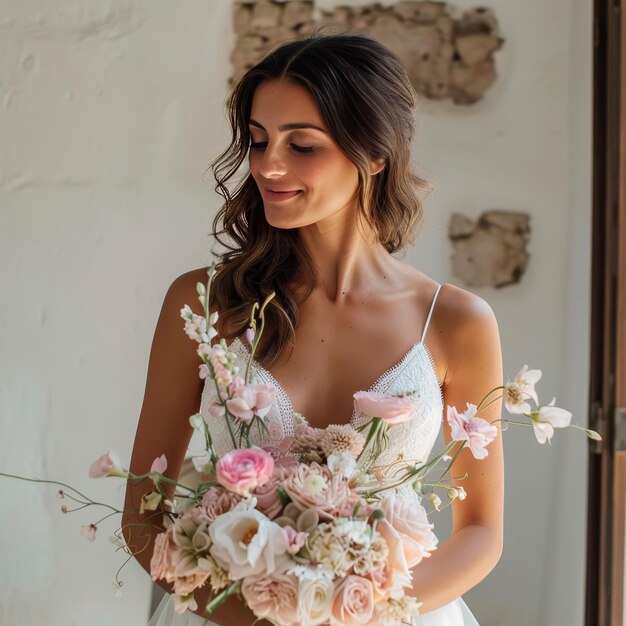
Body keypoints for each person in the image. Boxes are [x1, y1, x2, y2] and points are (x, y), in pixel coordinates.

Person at [122, 29, 504, 626]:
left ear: (374, 154)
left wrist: (363, 615)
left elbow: (481, 531)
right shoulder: (206, 305)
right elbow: (143, 515)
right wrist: (247, 615)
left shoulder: (456, 322)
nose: (268, 166)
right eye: (257, 139)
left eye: (302, 145)